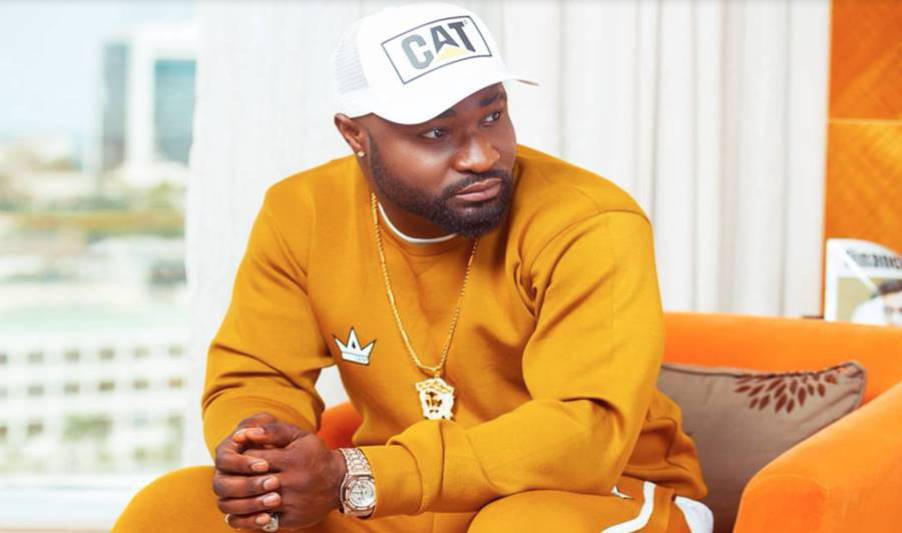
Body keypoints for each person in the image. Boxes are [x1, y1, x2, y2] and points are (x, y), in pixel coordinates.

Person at [114, 3, 710, 532]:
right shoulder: (303, 212)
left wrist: (357, 475)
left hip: (594, 492)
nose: (481, 155)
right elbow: (257, 373)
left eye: (492, 115)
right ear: (355, 134)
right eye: (435, 132)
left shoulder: (588, 221)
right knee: (174, 508)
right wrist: (262, 456)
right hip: (401, 502)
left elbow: (586, 433)